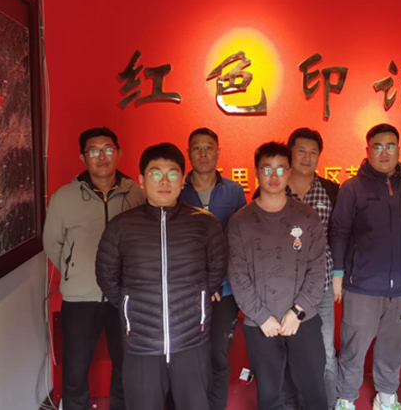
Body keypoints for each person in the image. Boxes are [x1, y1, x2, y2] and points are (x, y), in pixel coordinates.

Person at [96, 142, 228, 410]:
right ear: (141, 180)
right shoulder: (121, 227)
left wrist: (198, 301)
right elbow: (106, 275)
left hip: (191, 339)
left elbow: (217, 268)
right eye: (156, 173)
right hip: (141, 342)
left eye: (172, 173)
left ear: (182, 180)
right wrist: (132, 306)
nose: (164, 181)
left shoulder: (204, 223)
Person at [43, 127, 144, 410]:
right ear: (82, 157)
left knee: (126, 365)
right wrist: (74, 269)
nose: (102, 156)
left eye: (108, 149)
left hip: (124, 296)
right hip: (80, 298)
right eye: (94, 151)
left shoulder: (136, 194)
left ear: (119, 153)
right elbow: (52, 243)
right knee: (75, 371)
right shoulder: (64, 197)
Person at [228, 142, 327, 410]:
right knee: (272, 394)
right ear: (256, 172)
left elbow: (318, 270)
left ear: (289, 172)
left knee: (313, 391)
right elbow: (237, 276)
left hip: (303, 319)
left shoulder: (307, 217)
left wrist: (297, 311)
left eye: (281, 169)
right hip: (261, 324)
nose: (274, 176)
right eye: (267, 169)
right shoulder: (240, 221)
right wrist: (262, 317)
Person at [331, 124, 401, 410]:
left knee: (393, 347)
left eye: (390, 146)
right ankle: (346, 397)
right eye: (378, 146)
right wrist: (338, 274)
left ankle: (386, 396)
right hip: (362, 287)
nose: (384, 152)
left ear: (399, 149)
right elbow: (339, 232)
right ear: (367, 150)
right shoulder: (352, 188)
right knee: (354, 348)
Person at [178, 127, 247, 410]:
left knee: (219, 353)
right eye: (197, 147)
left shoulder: (234, 191)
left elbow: (240, 240)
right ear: (188, 153)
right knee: (189, 354)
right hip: (188, 290)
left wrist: (218, 279)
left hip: (225, 290)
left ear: (218, 152)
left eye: (209, 147)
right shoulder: (177, 192)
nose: (203, 153)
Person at [283, 128, 340, 409]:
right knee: (288, 349)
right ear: (290, 153)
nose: (307, 157)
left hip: (322, 285)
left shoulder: (331, 190)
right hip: (283, 287)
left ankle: (328, 404)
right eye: (301, 151)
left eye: (313, 152)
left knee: (326, 351)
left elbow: (339, 235)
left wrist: (339, 275)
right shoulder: (274, 187)